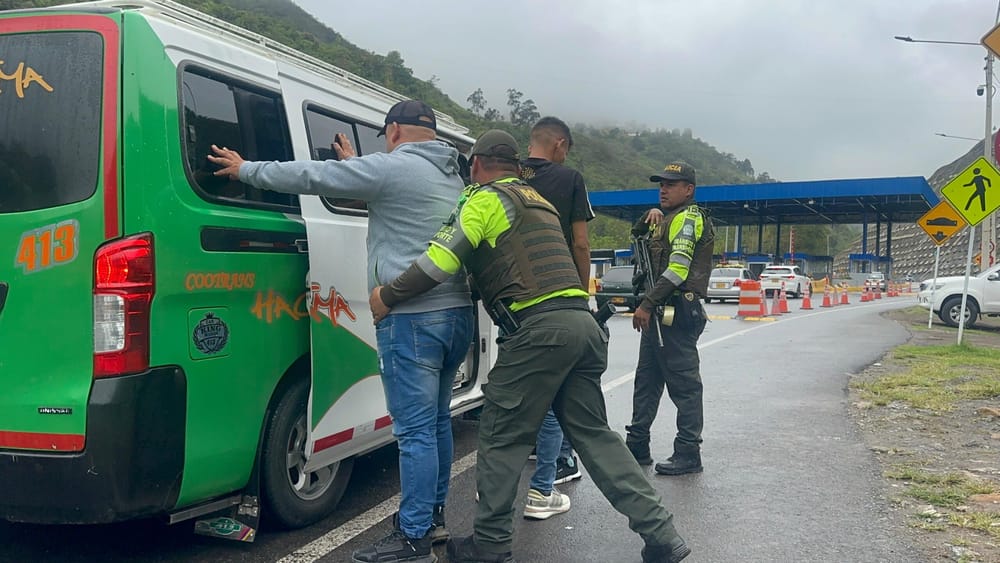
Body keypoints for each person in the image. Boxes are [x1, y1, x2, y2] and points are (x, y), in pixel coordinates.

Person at [370, 130, 691, 563]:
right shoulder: (536, 200)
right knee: (595, 437)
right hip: (580, 326)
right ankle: (662, 534)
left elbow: (440, 262)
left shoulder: (482, 199)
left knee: (502, 436)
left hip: (538, 333)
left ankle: (490, 545)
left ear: (477, 166)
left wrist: (387, 296)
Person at [208, 99, 474, 563]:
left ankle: (411, 538)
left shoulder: (392, 168)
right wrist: (357, 165)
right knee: (435, 424)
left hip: (411, 318)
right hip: (456, 315)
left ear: (392, 132)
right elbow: (388, 189)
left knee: (412, 433)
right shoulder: (451, 174)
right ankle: (430, 519)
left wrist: (246, 169)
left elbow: (313, 176)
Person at [518, 116, 594, 519]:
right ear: (560, 144)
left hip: (511, 299)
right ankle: (541, 490)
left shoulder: (507, 174)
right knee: (552, 398)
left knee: (510, 394)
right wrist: (581, 295)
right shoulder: (569, 179)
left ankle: (490, 490)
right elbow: (581, 243)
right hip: (556, 296)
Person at [626, 161, 715, 477]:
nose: (663, 189)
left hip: (676, 313)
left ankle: (688, 451)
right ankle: (637, 444)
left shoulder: (689, 219)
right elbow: (637, 244)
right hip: (661, 313)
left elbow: (677, 270)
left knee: (685, 386)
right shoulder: (665, 219)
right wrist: (646, 218)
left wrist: (647, 305)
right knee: (646, 380)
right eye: (661, 184)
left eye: (671, 184)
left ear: (688, 189)